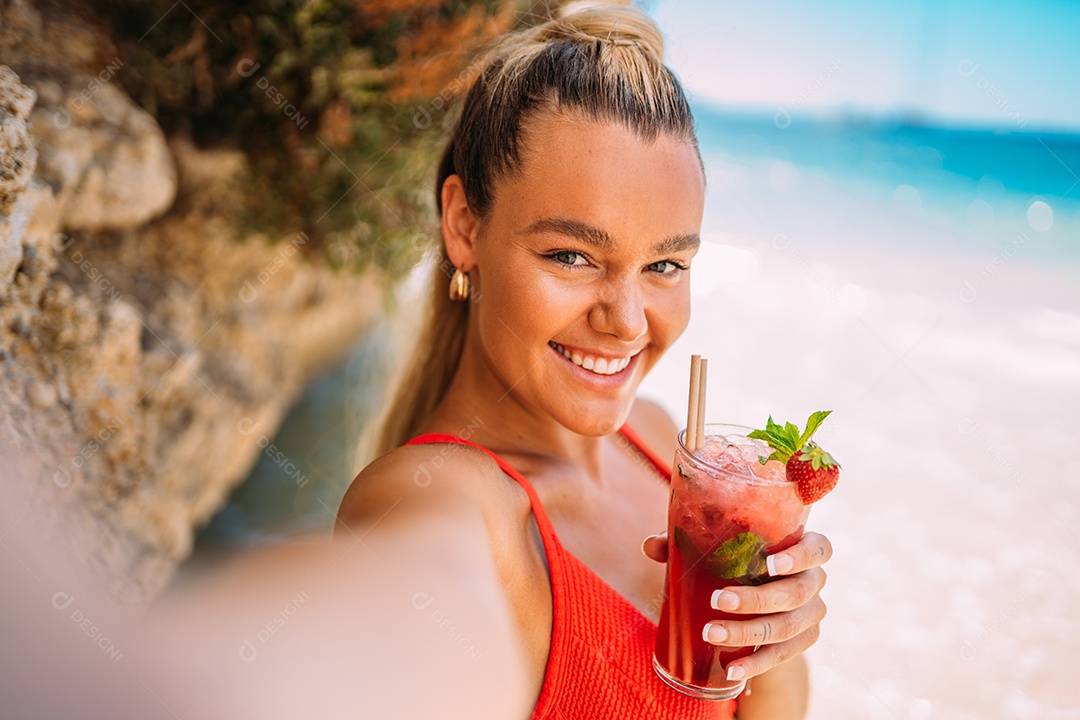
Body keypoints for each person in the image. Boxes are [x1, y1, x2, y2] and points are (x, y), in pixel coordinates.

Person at [336, 3, 832, 718]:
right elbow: (412, 589)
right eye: (571, 255)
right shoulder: (429, 501)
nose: (627, 322)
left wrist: (776, 644)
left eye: (664, 264)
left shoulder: (664, 445)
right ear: (464, 226)